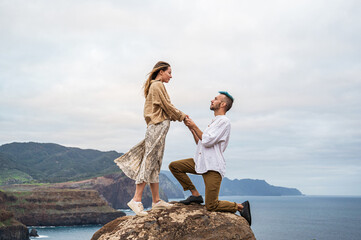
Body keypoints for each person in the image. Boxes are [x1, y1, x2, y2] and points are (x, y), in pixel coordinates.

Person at [114, 61, 187, 216]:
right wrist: (182, 116)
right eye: (169, 72)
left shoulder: (156, 86)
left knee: (156, 162)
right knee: (150, 160)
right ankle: (136, 200)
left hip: (158, 128)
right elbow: (167, 106)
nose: (171, 76)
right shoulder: (157, 85)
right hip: (157, 126)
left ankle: (156, 201)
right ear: (161, 72)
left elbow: (165, 106)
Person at [168, 91, 252, 225]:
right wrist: (192, 129)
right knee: (174, 166)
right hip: (201, 162)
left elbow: (207, 141)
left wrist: (195, 125)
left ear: (223, 104)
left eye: (215, 99)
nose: (212, 100)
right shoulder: (214, 122)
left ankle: (240, 206)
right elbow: (201, 143)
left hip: (213, 166)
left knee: (211, 205)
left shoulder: (224, 121)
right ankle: (195, 195)